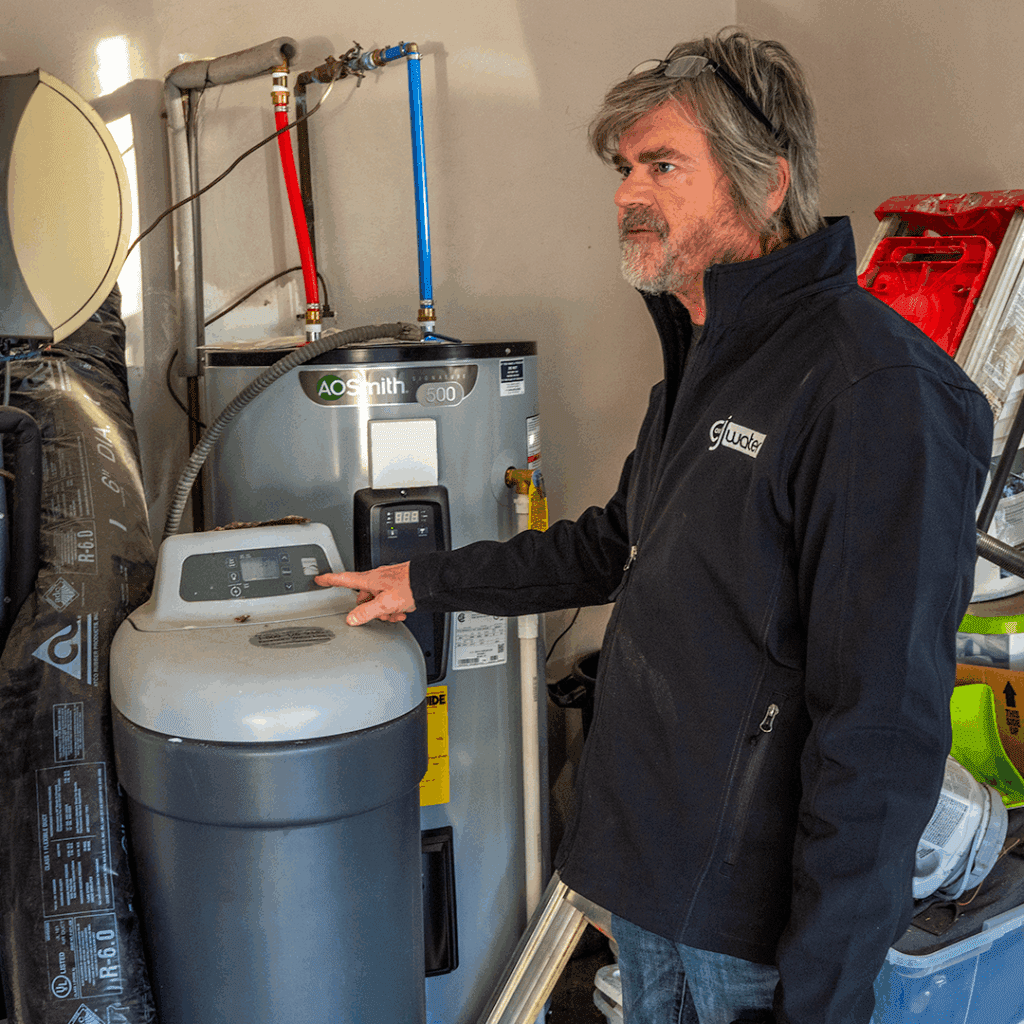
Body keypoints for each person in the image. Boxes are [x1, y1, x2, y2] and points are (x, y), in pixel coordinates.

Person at [316, 28, 993, 1024]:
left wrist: (823, 996)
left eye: (663, 164)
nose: (630, 191)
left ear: (768, 181)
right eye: (624, 166)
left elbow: (881, 729)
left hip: (748, 924)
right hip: (647, 876)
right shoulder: (706, 355)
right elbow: (615, 542)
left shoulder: (873, 391)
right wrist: (425, 583)